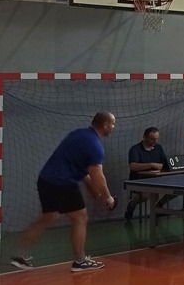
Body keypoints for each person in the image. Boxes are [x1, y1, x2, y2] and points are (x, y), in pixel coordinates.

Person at [9, 112, 117, 272]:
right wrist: (108, 197)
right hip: (63, 183)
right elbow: (98, 176)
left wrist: (96, 194)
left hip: (46, 180)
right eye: (113, 124)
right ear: (106, 125)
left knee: (48, 217)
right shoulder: (95, 146)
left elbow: (85, 173)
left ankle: (18, 255)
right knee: (80, 218)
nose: (114, 127)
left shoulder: (78, 134)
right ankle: (80, 261)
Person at [123, 126, 169, 220]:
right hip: (139, 180)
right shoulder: (135, 149)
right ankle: (132, 205)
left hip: (157, 179)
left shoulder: (158, 148)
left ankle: (159, 204)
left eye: (156, 139)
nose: (155, 141)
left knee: (176, 189)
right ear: (144, 137)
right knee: (145, 194)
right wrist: (151, 164)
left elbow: (165, 163)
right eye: (152, 139)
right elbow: (133, 166)